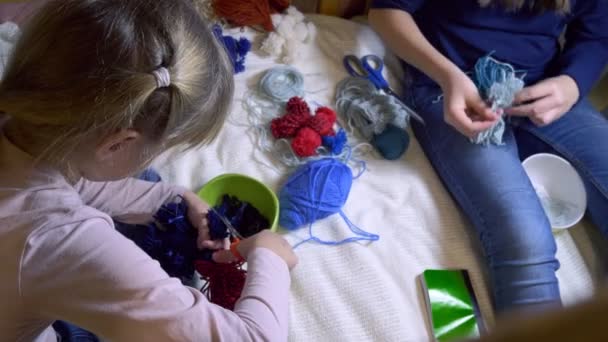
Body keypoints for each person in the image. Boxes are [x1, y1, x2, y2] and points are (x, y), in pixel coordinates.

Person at [0, 0, 297, 341]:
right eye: (165, 146)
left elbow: (65, 179)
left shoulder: (22, 117)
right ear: (116, 145)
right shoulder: (55, 241)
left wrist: (176, 198)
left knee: (153, 189)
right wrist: (269, 255)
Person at [369, 0, 608, 314]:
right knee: (524, 238)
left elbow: (597, 34)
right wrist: (448, 76)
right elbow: (386, 11)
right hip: (449, 88)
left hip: (540, 85)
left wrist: (571, 84)